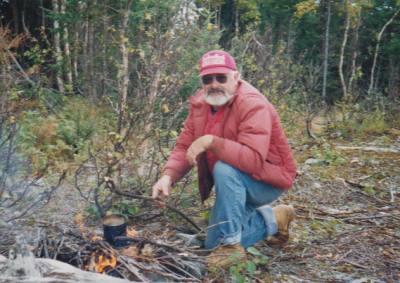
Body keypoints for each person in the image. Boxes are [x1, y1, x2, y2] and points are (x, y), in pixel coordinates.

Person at [152, 50, 297, 267]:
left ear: (236, 78)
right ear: (201, 82)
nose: (214, 84)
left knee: (224, 168)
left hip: (267, 181)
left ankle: (231, 246)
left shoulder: (251, 103)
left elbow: (253, 162)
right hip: (236, 184)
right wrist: (168, 177)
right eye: (207, 79)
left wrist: (211, 142)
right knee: (212, 246)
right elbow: (184, 146)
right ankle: (275, 220)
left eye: (221, 77)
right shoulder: (201, 105)